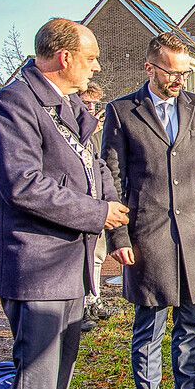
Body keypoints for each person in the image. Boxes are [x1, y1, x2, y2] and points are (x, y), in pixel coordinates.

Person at [0, 18, 129, 389]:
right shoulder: (13, 105)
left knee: (59, 380)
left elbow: (93, 166)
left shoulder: (67, 105)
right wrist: (97, 214)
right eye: (91, 58)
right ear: (65, 58)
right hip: (36, 267)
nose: (96, 67)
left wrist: (114, 218)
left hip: (68, 267)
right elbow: (23, 185)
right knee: (37, 384)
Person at [102, 32, 195, 389]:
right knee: (150, 325)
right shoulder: (122, 110)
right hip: (148, 232)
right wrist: (119, 236)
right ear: (150, 68)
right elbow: (112, 177)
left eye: (186, 72)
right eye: (173, 72)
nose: (180, 80)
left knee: (191, 320)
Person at [78, 82, 117, 332]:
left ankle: (94, 299)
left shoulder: (95, 130)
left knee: (98, 255)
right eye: (87, 103)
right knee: (83, 257)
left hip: (99, 203)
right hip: (81, 207)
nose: (91, 108)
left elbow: (100, 163)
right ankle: (80, 306)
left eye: (94, 104)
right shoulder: (74, 127)